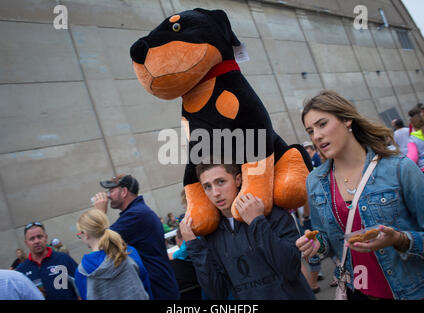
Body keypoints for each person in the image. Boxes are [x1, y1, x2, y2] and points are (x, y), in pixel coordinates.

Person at [297, 90, 424, 300]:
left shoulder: (399, 169)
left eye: (322, 124)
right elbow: (326, 239)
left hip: (409, 291)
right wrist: (316, 245)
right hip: (357, 292)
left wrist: (400, 239)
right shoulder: (316, 181)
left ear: (347, 120)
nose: (316, 136)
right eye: (310, 131)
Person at [179, 160, 315, 300]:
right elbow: (217, 292)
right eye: (207, 186)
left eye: (220, 182)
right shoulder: (212, 234)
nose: (215, 193)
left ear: (238, 180)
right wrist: (194, 247)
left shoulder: (271, 214)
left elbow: (291, 269)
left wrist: (257, 222)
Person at [92, 174, 180, 300]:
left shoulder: (136, 215)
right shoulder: (138, 212)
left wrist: (99, 213)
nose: (108, 195)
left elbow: (100, 243)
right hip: (160, 286)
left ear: (124, 192)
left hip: (157, 289)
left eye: (111, 190)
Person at [74, 208, 151, 300]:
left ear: (85, 234)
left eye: (79, 234)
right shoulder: (129, 253)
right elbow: (146, 286)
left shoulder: (82, 271)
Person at [16, 222, 79, 300]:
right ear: (26, 243)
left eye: (39, 237)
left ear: (46, 237)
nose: (36, 241)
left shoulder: (63, 258)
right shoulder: (21, 270)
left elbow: (82, 285)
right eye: (32, 239)